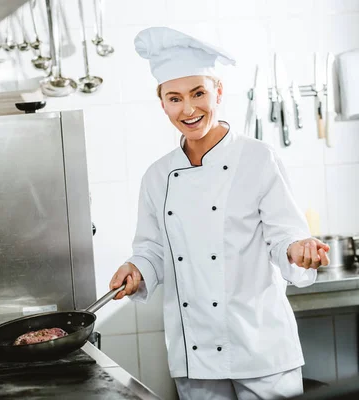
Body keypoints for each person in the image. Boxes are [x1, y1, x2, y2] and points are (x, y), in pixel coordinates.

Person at [109, 27, 331, 400]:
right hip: (196, 358)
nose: (189, 109)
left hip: (261, 348)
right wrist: (136, 269)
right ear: (162, 103)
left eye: (199, 93)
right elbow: (153, 251)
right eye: (175, 98)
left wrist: (298, 250)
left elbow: (285, 238)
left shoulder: (258, 159)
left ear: (219, 92)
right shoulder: (157, 176)